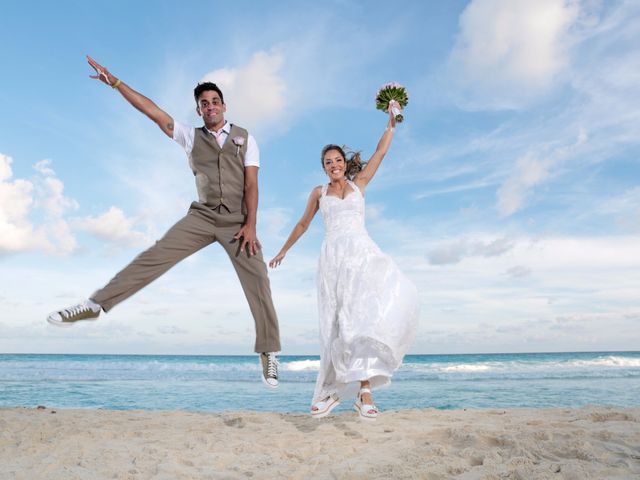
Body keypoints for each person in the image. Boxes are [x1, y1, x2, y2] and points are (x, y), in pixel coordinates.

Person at [47, 56, 281, 388]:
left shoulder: (245, 138)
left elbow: (252, 184)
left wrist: (251, 225)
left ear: (224, 106)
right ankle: (95, 304)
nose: (210, 106)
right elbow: (152, 111)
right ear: (199, 111)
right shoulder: (189, 136)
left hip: (238, 222)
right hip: (202, 216)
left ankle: (269, 353)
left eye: (215, 101)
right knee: (154, 257)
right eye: (204, 104)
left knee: (258, 279)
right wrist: (115, 83)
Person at [269, 101, 419, 419]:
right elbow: (302, 225)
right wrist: (284, 250)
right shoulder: (318, 193)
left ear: (344, 163)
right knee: (335, 326)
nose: (334, 165)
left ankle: (365, 394)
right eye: (328, 162)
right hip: (332, 261)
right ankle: (330, 392)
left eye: (337, 160)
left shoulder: (358, 184)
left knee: (362, 320)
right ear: (323, 167)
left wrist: (390, 124)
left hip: (361, 256)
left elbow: (380, 154)